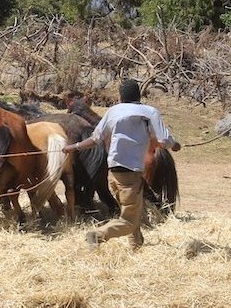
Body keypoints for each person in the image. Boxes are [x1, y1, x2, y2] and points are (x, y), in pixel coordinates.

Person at [63, 78, 180, 248]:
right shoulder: (149, 112)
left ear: (120, 96)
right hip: (130, 173)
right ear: (139, 94)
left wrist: (73, 147)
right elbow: (164, 139)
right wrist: (175, 145)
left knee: (134, 211)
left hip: (113, 173)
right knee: (128, 221)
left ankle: (136, 246)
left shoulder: (113, 111)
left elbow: (95, 139)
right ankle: (97, 235)